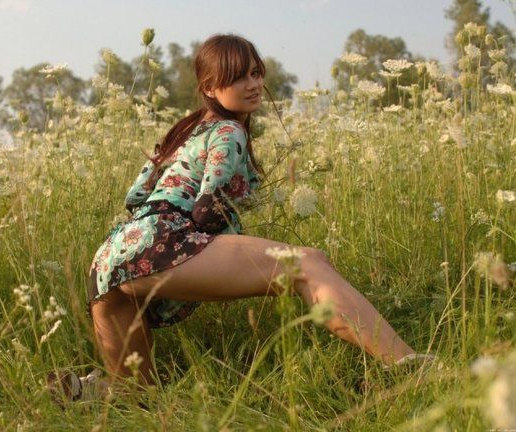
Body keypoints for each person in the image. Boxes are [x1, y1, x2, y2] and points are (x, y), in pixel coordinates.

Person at [48, 33, 433, 403]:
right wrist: (223, 253)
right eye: (237, 77)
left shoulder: (183, 131)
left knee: (138, 396)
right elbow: (207, 208)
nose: (253, 84)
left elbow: (136, 196)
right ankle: (411, 367)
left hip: (110, 258)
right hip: (158, 242)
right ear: (210, 88)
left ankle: (83, 391)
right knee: (306, 263)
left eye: (255, 72)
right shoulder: (228, 130)